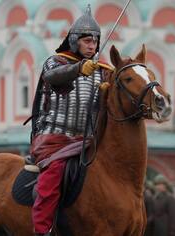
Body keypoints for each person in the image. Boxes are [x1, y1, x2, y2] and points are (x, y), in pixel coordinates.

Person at [29, 5, 113, 236]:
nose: (92, 46)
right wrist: (78, 69)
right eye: (87, 41)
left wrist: (108, 91)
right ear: (75, 41)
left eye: (95, 41)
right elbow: (53, 77)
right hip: (55, 137)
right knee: (53, 176)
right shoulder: (55, 62)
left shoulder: (102, 70)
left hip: (86, 139)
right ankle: (42, 231)